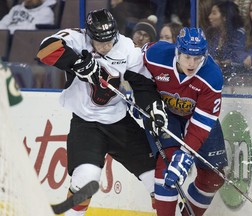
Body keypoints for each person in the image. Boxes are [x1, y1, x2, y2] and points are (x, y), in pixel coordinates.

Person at [36, 8, 168, 216]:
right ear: (89, 35)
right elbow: (45, 50)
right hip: (86, 125)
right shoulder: (76, 39)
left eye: (110, 40)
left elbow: (143, 86)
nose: (107, 46)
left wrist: (154, 108)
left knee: (157, 178)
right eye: (101, 42)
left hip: (120, 122)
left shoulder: (126, 47)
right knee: (86, 178)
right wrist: (77, 63)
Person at [142, 27, 228, 216]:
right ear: (177, 52)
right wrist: (143, 102)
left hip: (195, 116)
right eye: (187, 57)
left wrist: (187, 153)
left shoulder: (211, 75)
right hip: (165, 113)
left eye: (197, 58)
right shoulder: (155, 54)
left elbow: (202, 121)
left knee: (214, 178)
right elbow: (134, 72)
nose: (192, 63)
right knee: (168, 164)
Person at [206, 1, 245, 86]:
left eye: (214, 13)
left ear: (225, 17)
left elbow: (239, 58)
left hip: (235, 81)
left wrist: (228, 62)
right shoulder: (213, 34)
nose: (209, 17)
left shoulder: (239, 34)